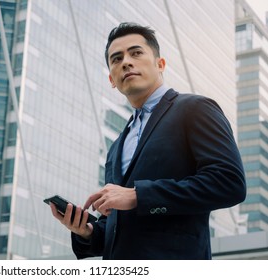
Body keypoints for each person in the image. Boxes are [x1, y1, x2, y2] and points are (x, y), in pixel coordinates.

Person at [49, 22, 246, 259]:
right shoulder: (116, 147)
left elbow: (229, 184)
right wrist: (87, 231)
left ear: (160, 64)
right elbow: (118, 226)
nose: (126, 62)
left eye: (136, 53)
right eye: (116, 59)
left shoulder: (195, 108)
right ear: (112, 79)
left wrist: (138, 195)